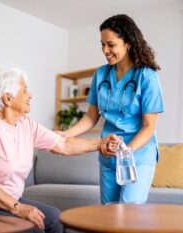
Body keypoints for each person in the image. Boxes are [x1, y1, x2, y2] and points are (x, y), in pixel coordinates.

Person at [0, 67, 119, 233]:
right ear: (8, 98)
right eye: (25, 91)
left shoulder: (26, 124)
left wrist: (100, 144)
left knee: (55, 219)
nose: (30, 95)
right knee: (32, 228)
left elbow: (63, 145)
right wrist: (19, 208)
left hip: (6, 201)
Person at [57, 14, 164, 204]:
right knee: (108, 213)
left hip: (137, 155)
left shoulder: (146, 77)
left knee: (129, 213)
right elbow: (91, 117)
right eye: (102, 44)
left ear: (128, 43)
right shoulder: (101, 74)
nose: (105, 50)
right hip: (108, 154)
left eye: (111, 44)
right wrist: (67, 134)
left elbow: (149, 126)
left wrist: (126, 152)